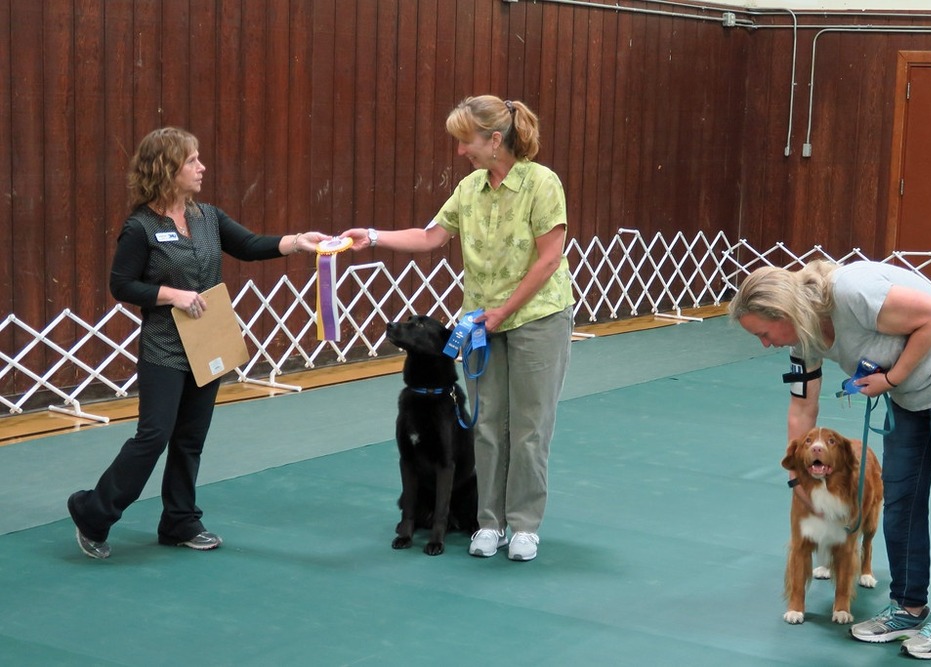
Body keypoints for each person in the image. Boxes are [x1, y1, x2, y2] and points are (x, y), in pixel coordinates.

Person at [67, 127, 332, 559]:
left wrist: (299, 243)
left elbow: (248, 246)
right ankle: (94, 511)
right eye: (192, 160)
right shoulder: (140, 228)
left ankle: (179, 521)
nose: (201, 167)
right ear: (168, 168)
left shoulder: (207, 216)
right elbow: (122, 284)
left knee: (191, 438)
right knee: (153, 436)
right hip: (164, 348)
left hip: (208, 342)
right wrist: (172, 295)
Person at [339, 95, 575, 562]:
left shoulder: (542, 183)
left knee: (529, 427)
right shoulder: (469, 188)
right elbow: (431, 236)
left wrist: (505, 310)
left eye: (465, 141)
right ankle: (488, 522)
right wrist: (371, 236)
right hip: (482, 326)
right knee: (485, 424)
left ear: (493, 140)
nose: (460, 150)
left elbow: (550, 257)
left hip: (537, 319)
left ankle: (524, 526)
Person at [729, 259, 931, 660]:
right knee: (901, 495)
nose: (766, 344)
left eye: (764, 334)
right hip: (909, 387)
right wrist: (797, 478)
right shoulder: (804, 337)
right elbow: (802, 409)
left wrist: (890, 379)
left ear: (783, 312)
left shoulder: (853, 291)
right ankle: (908, 607)